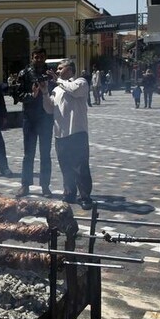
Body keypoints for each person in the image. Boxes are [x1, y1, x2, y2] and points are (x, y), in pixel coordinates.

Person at [41, 59, 93, 210]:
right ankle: (69, 193)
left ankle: (85, 196)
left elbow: (74, 91)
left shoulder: (80, 82)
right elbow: (49, 109)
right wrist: (44, 92)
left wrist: (57, 80)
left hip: (77, 132)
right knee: (66, 166)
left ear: (69, 69)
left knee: (80, 166)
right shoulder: (57, 88)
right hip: (60, 134)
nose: (56, 71)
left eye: (59, 68)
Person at [14, 47, 54, 197]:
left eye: (41, 57)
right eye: (36, 57)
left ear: (45, 58)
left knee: (45, 154)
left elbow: (56, 93)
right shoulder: (24, 74)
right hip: (29, 118)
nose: (39, 59)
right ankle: (25, 185)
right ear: (32, 57)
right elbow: (18, 95)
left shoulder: (50, 74)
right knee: (28, 154)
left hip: (45, 118)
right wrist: (32, 95)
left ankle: (45, 186)